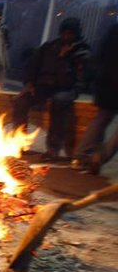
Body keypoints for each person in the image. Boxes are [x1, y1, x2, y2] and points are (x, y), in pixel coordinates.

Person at [12, 17, 90, 162]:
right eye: (64, 33)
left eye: (70, 34)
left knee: (59, 102)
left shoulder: (81, 52)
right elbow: (33, 66)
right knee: (21, 101)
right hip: (44, 86)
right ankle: (18, 143)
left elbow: (78, 79)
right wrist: (29, 83)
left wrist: (63, 57)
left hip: (66, 88)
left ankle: (53, 150)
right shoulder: (49, 47)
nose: (66, 37)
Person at [72, 23, 118, 174]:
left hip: (106, 81)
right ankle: (97, 157)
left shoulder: (113, 29)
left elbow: (99, 56)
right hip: (111, 81)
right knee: (102, 119)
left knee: (101, 119)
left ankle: (82, 155)